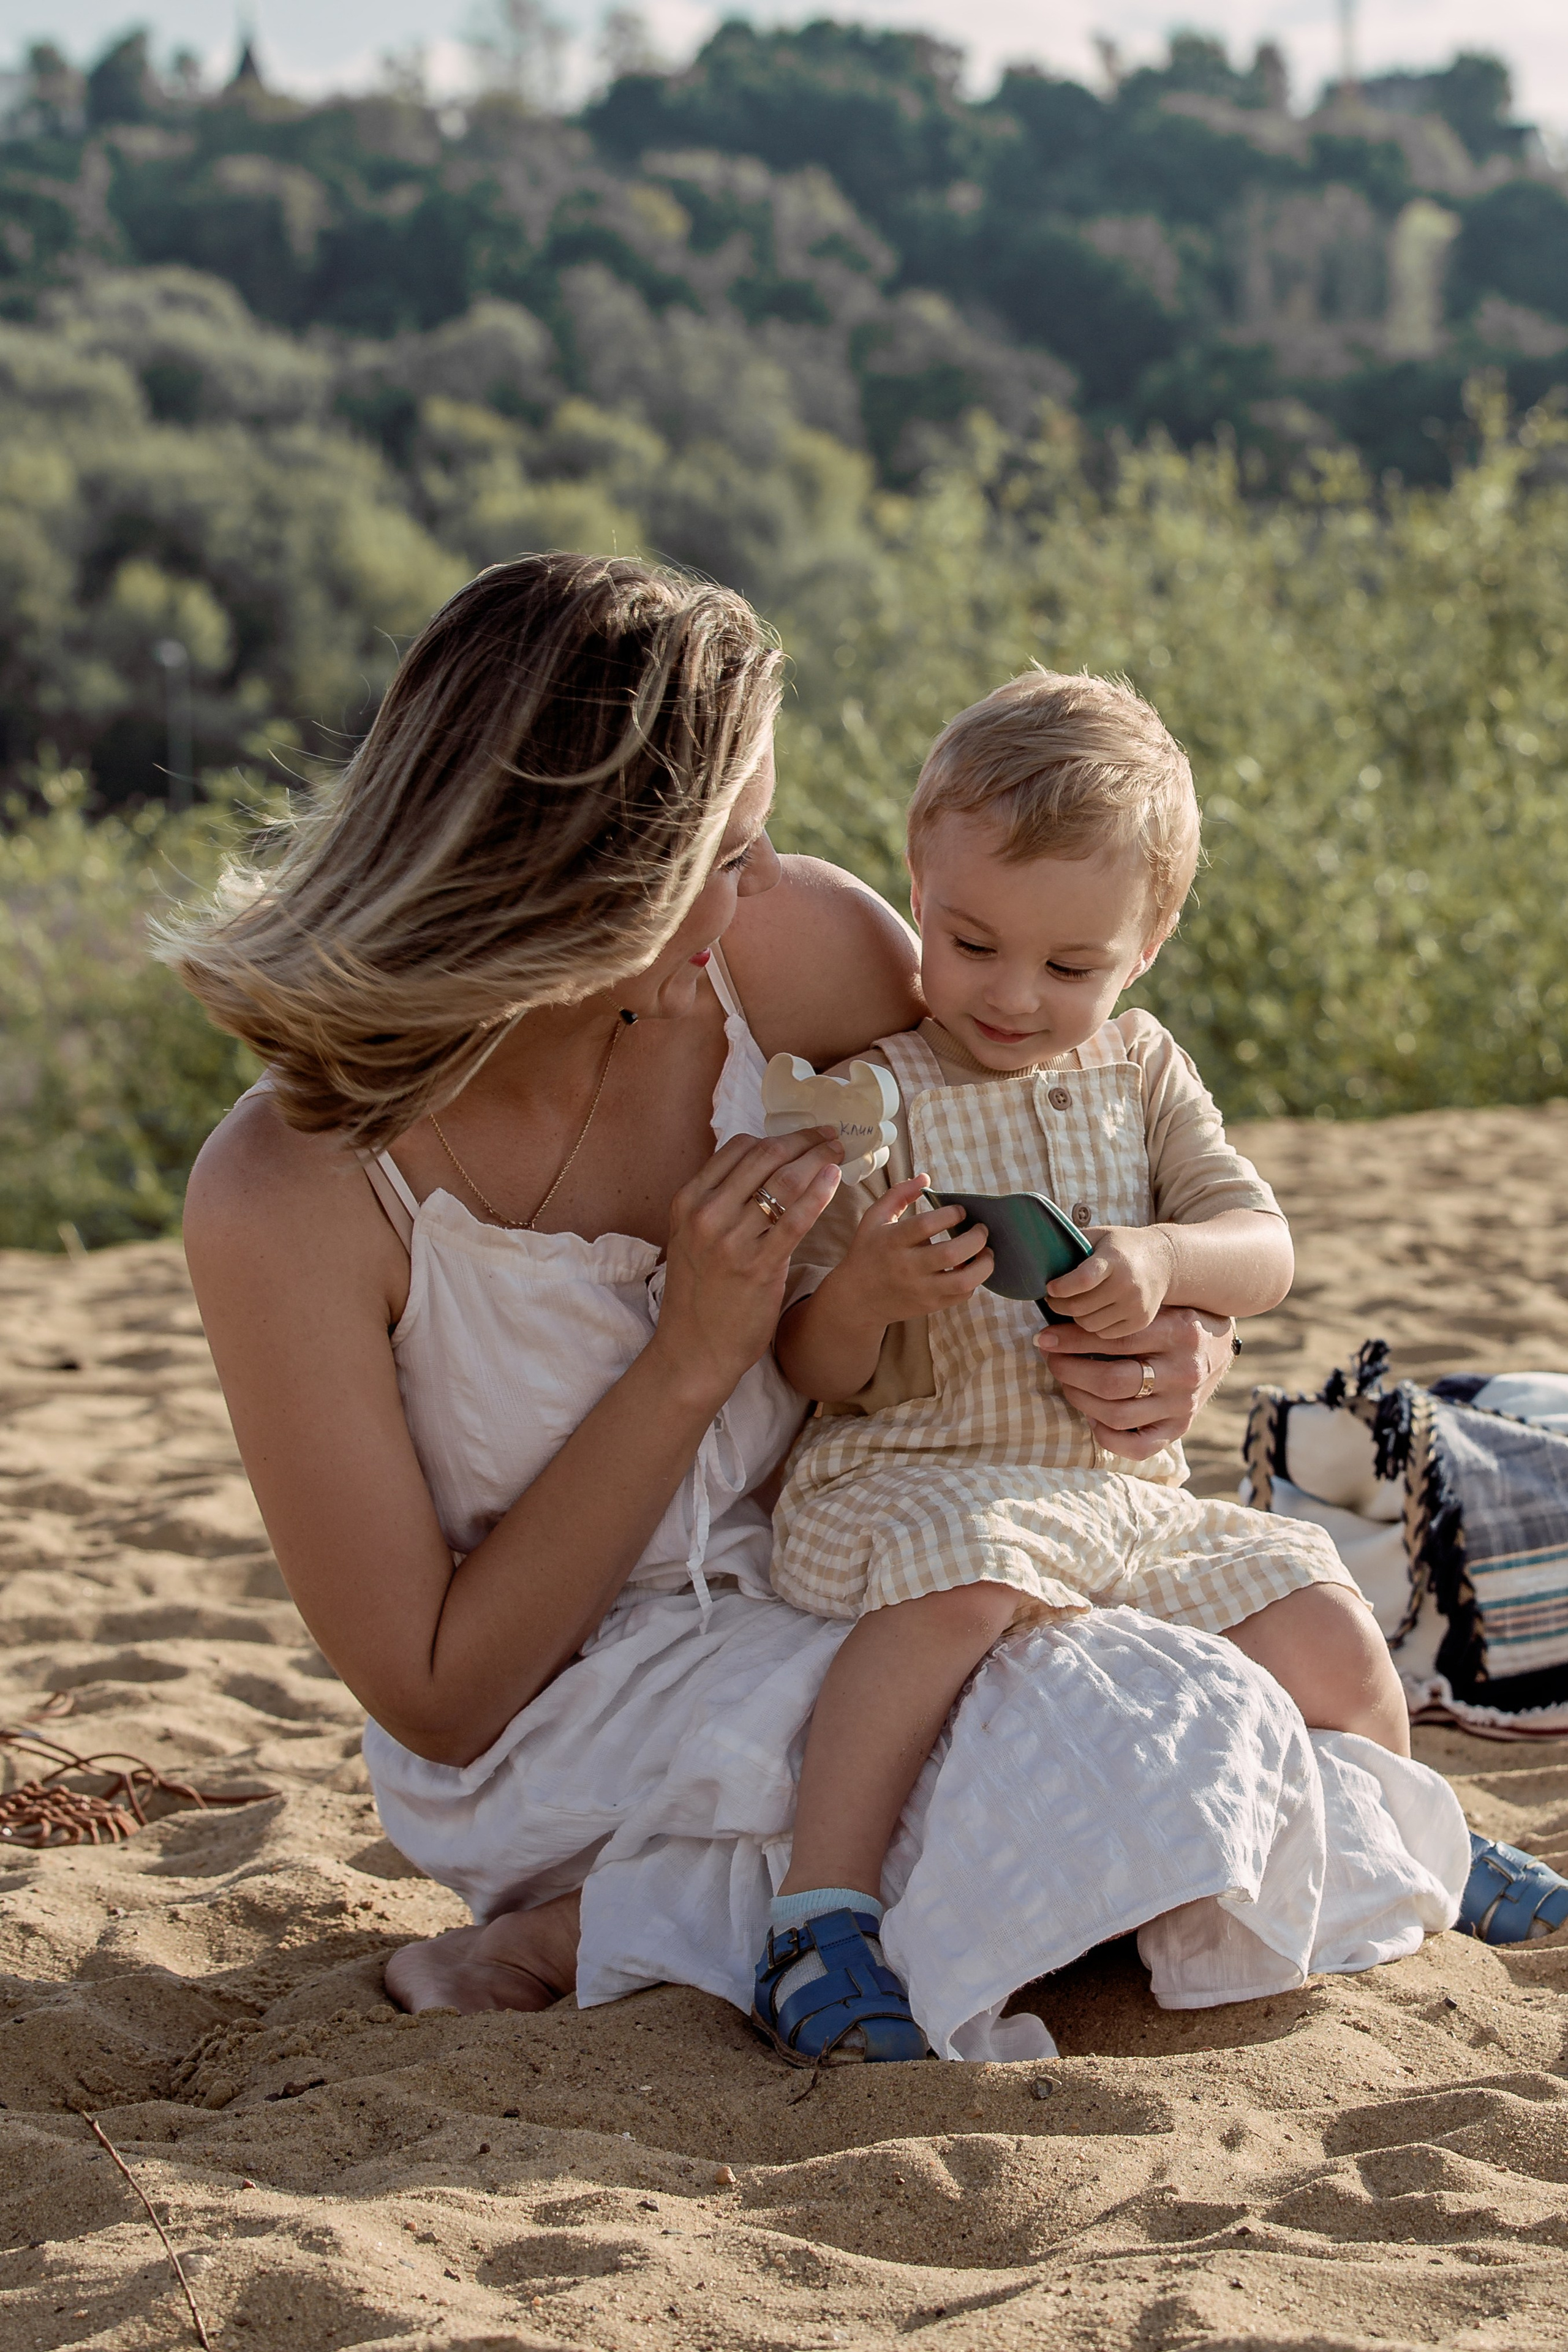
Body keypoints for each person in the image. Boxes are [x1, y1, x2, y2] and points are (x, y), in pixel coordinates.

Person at [168, 554, 1474, 2056]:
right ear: (586, 874)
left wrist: (1168, 1341)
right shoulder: (289, 1191)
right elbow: (441, 1697)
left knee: (1199, 1721)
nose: (768, 886)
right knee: (1135, 1766)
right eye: (727, 855)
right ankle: (586, 1917)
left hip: (868, 1581)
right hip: (577, 1715)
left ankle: (717, 1913)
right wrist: (690, 1357)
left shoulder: (789, 958)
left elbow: (1037, 1143)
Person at [756, 671, 1407, 2065]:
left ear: (1145, 946)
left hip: (1117, 1500)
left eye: (1068, 969)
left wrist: (1167, 1264)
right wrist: (867, 1288)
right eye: (968, 942)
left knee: (1323, 1615)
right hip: (909, 1481)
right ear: (914, 890)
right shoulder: (878, 1091)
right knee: (971, 1579)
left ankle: (1389, 1841)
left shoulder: (1141, 1072)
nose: (1008, 995)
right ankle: (818, 1914)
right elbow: (804, 1359)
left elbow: (1261, 1246)